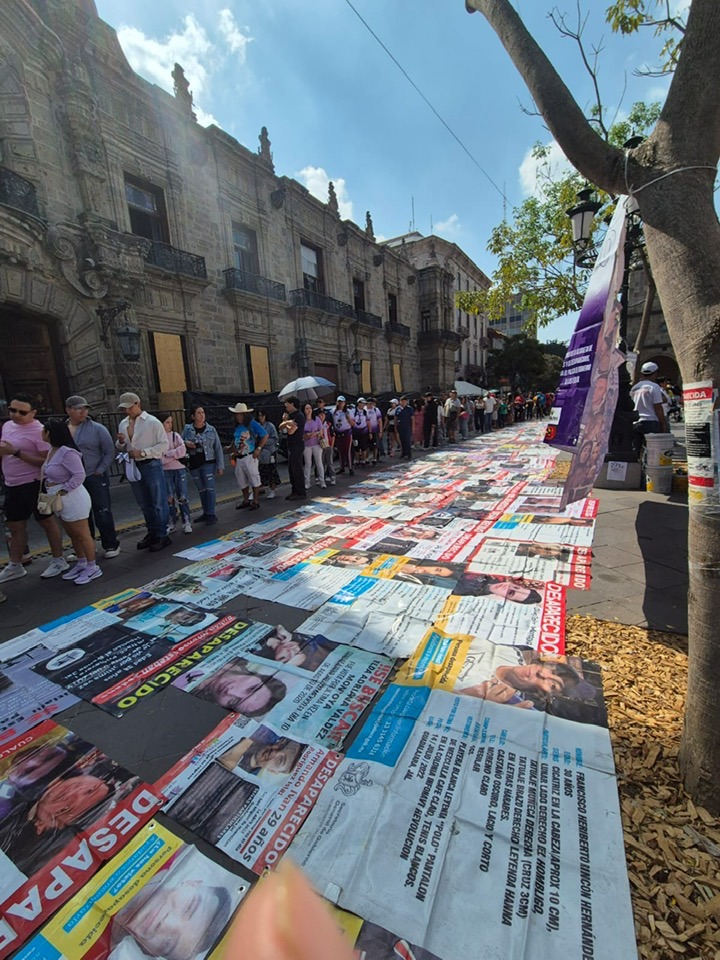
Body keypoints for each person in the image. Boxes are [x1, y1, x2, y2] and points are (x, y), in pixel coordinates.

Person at [0, 394, 69, 583]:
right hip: (12, 484)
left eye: (22, 412)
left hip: (37, 484)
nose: (15, 415)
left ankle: (58, 560)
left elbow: (48, 461)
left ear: (33, 412)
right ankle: (15, 564)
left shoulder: (39, 431)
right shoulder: (7, 426)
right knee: (14, 525)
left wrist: (16, 452)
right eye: (12, 410)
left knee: (47, 521)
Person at [41, 419, 102, 584]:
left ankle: (92, 566)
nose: (41, 433)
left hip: (73, 497)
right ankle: (81, 562)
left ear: (49, 433)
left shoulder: (68, 452)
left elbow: (79, 475)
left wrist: (63, 489)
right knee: (72, 534)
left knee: (82, 534)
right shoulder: (52, 450)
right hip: (59, 498)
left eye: (44, 430)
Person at [65, 395, 121, 559]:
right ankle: (85, 546)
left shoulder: (97, 428)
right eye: (78, 408)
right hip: (73, 479)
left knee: (102, 510)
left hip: (93, 475)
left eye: (85, 408)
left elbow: (109, 450)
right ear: (68, 410)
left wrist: (100, 469)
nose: (83, 411)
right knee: (80, 514)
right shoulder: (62, 429)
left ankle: (111, 544)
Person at [116, 392, 170, 552]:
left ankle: (162, 534)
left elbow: (164, 445)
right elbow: (123, 446)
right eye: (124, 409)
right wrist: (120, 443)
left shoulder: (152, 422)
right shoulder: (123, 424)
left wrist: (143, 452)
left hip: (151, 464)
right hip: (134, 465)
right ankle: (152, 532)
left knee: (158, 502)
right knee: (144, 503)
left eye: (129, 407)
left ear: (137, 403)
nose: (127, 411)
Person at [459, 658, 581, 707]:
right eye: (553, 672)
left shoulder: (498, 701)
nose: (542, 674)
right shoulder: (510, 651)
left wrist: (482, 707)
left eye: (552, 685)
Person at [195, 658, 288, 716]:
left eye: (233, 702)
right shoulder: (242, 655)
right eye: (251, 689)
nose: (230, 692)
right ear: (257, 676)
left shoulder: (190, 693)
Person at [182, 406, 225, 525]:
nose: (202, 415)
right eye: (199, 413)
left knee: (210, 489)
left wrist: (220, 466)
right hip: (194, 464)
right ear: (193, 416)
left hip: (208, 463)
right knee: (201, 490)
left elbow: (217, 447)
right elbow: (179, 442)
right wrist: (186, 443)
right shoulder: (187, 429)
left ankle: (211, 513)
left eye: (203, 412)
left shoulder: (211, 429)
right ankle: (205, 512)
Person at [227, 402, 267, 511]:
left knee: (254, 477)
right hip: (239, 457)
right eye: (237, 414)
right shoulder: (237, 426)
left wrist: (258, 449)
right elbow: (235, 439)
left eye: (240, 414)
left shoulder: (252, 424)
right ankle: (246, 500)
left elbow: (265, 435)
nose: (238, 416)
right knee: (241, 479)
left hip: (250, 456)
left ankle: (255, 500)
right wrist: (231, 448)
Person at [161, 415, 192, 535]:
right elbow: (160, 458)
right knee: (169, 497)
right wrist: (174, 455)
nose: (170, 425)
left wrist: (168, 454)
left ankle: (187, 521)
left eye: (171, 422)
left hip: (179, 469)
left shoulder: (175, 435)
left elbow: (182, 451)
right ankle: (171, 522)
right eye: (167, 422)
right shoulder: (158, 438)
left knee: (182, 496)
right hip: (166, 470)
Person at [630, 361, 668, 457]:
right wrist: (663, 423)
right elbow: (658, 407)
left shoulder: (634, 388)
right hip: (651, 422)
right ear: (655, 373)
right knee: (652, 451)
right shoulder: (654, 387)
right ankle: (649, 470)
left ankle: (637, 469)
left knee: (636, 450)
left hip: (636, 423)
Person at [279, 396, 306, 500]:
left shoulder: (299, 416)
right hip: (290, 444)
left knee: (297, 468)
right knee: (291, 469)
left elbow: (291, 431)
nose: (285, 406)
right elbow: (281, 427)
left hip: (297, 444)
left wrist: (286, 423)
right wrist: (286, 422)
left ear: (292, 404)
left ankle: (300, 492)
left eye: (287, 403)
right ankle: (294, 490)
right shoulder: (290, 416)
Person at [455, 573, 542, 603]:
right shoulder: (494, 575)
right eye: (515, 587)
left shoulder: (470, 593)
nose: (507, 586)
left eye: (510, 593)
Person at [256, 409, 281, 498]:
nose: (260, 418)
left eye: (262, 416)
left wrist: (264, 441)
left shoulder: (270, 426)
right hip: (260, 452)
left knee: (272, 471)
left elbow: (275, 439)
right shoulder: (257, 426)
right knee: (260, 470)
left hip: (270, 451)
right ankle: (261, 487)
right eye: (259, 416)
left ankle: (272, 489)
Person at [302, 402, 326, 489]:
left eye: (310, 408)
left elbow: (321, 431)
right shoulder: (302, 420)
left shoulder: (316, 419)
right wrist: (306, 435)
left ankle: (322, 481)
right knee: (308, 463)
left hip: (317, 443)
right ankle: (307, 482)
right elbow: (300, 433)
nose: (308, 410)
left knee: (319, 462)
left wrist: (315, 434)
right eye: (306, 408)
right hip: (307, 444)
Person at [332, 396, 355, 475]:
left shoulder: (348, 411)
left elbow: (353, 424)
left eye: (342, 402)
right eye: (339, 402)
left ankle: (350, 468)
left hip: (346, 433)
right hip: (338, 434)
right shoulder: (334, 412)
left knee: (347, 451)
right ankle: (342, 467)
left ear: (344, 403)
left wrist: (348, 418)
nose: (340, 403)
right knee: (340, 451)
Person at [316, 408, 335, 486]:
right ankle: (321, 477)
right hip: (320, 446)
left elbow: (333, 435)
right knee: (321, 462)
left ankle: (332, 476)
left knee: (329, 462)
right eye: (320, 415)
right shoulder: (316, 425)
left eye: (323, 415)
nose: (322, 416)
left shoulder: (328, 424)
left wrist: (332, 445)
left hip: (328, 445)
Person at [352, 398, 370, 467]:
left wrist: (370, 431)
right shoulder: (353, 411)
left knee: (364, 446)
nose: (363, 405)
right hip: (356, 431)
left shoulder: (365, 412)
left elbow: (368, 422)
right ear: (358, 403)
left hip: (364, 431)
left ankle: (363, 460)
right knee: (356, 446)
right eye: (362, 403)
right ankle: (356, 460)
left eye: (364, 404)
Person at [395, 396, 414, 460]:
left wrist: (413, 427)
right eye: (402, 401)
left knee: (407, 440)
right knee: (402, 440)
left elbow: (412, 418)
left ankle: (408, 454)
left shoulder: (409, 409)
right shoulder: (398, 409)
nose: (403, 403)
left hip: (407, 427)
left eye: (404, 402)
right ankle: (403, 453)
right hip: (400, 426)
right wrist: (395, 427)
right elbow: (396, 418)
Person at [366, 397, 382, 464]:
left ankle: (374, 458)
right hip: (366, 430)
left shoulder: (376, 410)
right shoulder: (364, 410)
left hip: (375, 430)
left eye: (371, 403)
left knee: (375, 445)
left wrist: (380, 431)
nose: (370, 405)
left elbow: (380, 421)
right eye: (368, 403)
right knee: (366, 445)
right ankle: (366, 458)